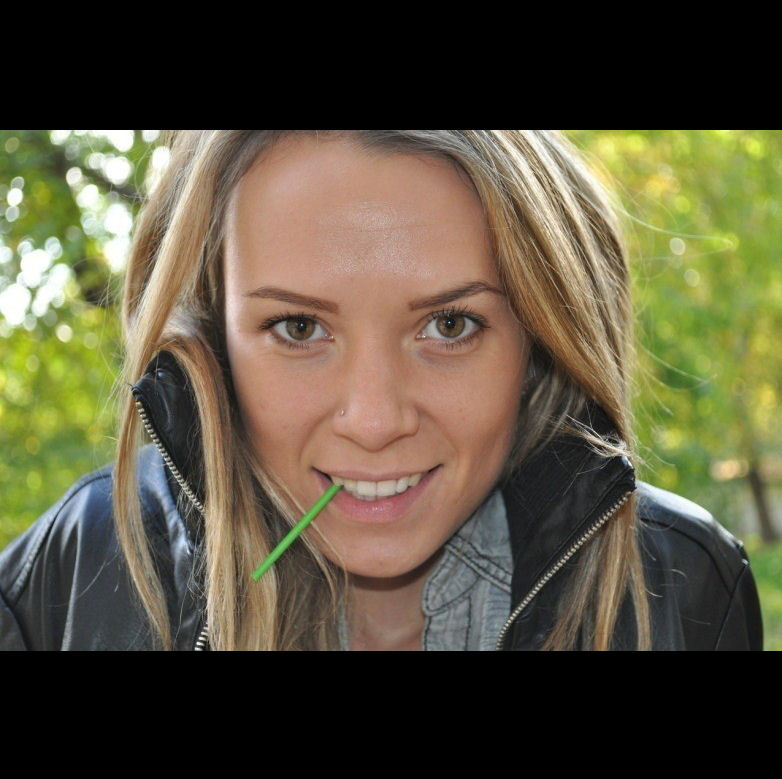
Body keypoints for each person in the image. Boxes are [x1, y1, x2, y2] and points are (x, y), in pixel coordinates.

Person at [0, 130, 763, 651]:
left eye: (450, 326)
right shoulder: (74, 573)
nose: (373, 421)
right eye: (299, 327)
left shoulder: (686, 585)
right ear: (213, 334)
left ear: (539, 337)